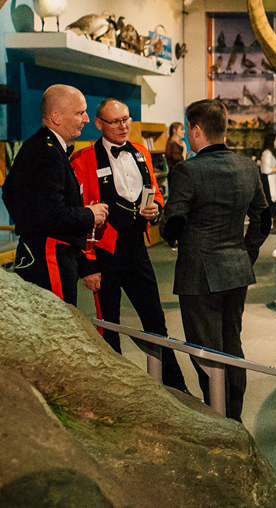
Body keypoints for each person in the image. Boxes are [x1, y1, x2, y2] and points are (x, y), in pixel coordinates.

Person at [160, 99, 271, 421]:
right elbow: (264, 220)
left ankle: (217, 419)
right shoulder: (248, 166)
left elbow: (176, 222)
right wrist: (245, 255)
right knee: (232, 348)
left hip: (199, 274)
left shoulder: (187, 170)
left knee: (205, 352)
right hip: (236, 272)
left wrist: (164, 226)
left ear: (195, 130)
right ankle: (233, 417)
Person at [70, 99, 189, 394]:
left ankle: (175, 388)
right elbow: (79, 213)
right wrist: (89, 264)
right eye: (115, 121)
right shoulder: (84, 160)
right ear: (99, 124)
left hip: (138, 249)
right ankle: (114, 392)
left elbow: (155, 192)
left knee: (156, 322)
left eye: (126, 119)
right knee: (108, 326)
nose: (123, 126)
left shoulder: (140, 151)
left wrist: (156, 208)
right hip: (104, 252)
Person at [2, 84, 108, 306]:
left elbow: (8, 193)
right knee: (59, 325)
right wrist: (90, 215)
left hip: (42, 252)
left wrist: (29, 225)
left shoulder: (38, 146)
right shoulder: (47, 152)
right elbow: (51, 215)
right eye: (80, 113)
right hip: (51, 257)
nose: (86, 119)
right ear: (56, 117)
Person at [260, 133, 276, 222]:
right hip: (269, 180)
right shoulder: (267, 153)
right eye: (275, 140)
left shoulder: (268, 153)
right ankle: (272, 223)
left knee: (270, 202)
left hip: (270, 180)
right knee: (270, 202)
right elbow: (266, 169)